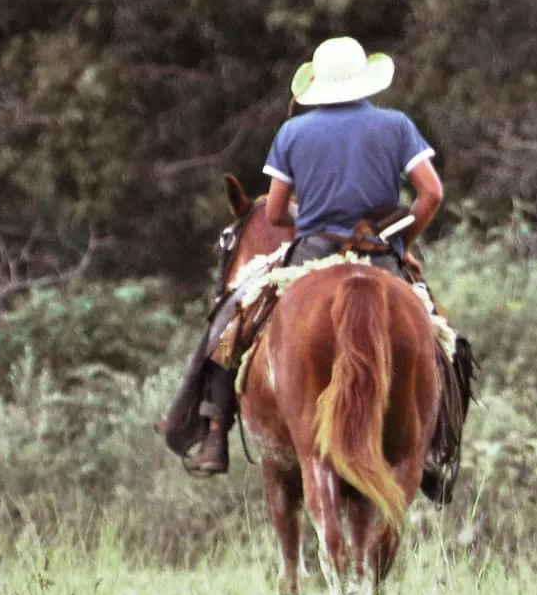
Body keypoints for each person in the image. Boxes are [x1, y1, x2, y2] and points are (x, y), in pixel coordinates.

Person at [183, 36, 445, 475]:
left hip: (311, 253)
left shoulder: (292, 132)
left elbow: (277, 209)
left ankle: (214, 435)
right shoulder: (397, 125)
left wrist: (304, 219)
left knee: (230, 324)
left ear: (318, 85)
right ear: (364, 80)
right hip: (379, 254)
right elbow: (431, 193)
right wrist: (401, 240)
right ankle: (433, 445)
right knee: (439, 337)